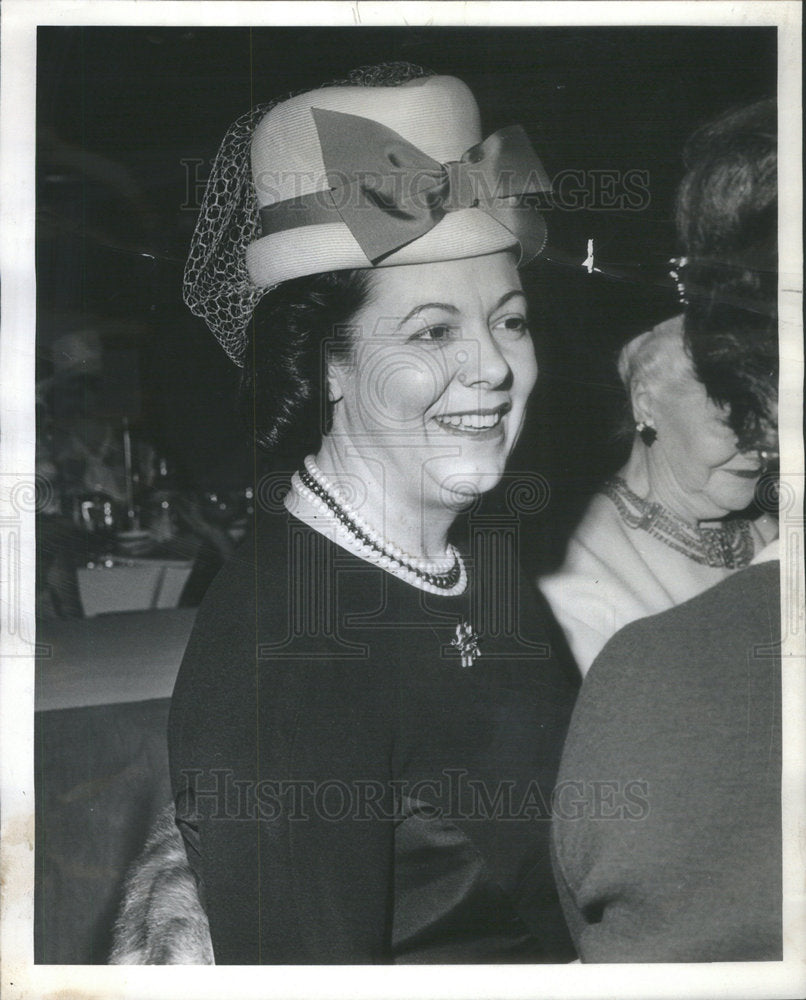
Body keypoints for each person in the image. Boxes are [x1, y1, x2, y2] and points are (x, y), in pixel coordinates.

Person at [168, 64, 579, 964]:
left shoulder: (481, 560)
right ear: (328, 365)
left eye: (508, 320)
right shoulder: (285, 664)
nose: (493, 368)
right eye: (432, 332)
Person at [551, 98, 783, 962]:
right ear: (644, 405)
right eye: (719, 397)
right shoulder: (574, 576)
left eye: (747, 393)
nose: (745, 426)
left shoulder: (760, 532)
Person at [538, 312, 777, 675]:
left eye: (772, 419)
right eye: (734, 418)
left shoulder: (772, 528)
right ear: (645, 403)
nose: (764, 445)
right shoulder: (576, 577)